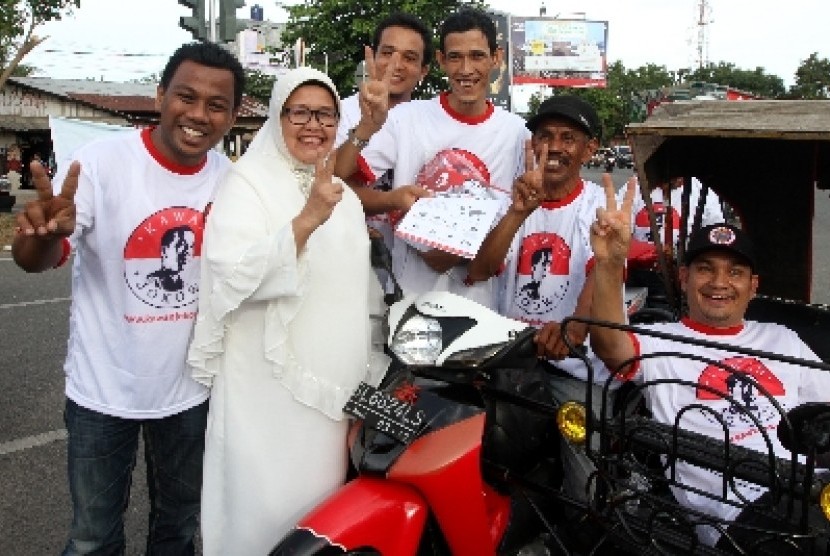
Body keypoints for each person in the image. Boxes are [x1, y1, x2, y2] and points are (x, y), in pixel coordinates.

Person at [12, 41, 244, 555]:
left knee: (178, 531)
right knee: (93, 537)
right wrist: (43, 231)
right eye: (186, 96)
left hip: (191, 393)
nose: (198, 115)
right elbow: (36, 258)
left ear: (231, 116)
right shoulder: (100, 164)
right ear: (161, 96)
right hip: (103, 390)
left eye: (216, 105)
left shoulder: (233, 183)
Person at [187, 67, 387, 555]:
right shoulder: (247, 183)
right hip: (262, 394)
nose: (313, 125)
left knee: (318, 516)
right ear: (279, 117)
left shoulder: (345, 200)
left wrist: (365, 384)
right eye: (300, 112)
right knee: (258, 514)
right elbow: (232, 273)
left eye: (325, 114)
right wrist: (305, 221)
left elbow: (364, 299)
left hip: (328, 397)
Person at [589, 179, 830, 549]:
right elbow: (610, 346)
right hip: (742, 512)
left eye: (735, 272)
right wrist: (610, 264)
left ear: (753, 286)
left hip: (812, 489)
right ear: (684, 278)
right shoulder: (659, 339)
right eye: (706, 269)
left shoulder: (781, 337)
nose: (720, 283)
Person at [466, 95, 617, 504]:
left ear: (589, 149)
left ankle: (585, 531)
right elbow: (479, 271)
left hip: (574, 369)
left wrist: (572, 330)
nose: (554, 147)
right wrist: (518, 212)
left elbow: (600, 275)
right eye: (545, 136)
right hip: (508, 360)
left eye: (569, 138)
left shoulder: (598, 207)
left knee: (585, 481)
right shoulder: (507, 202)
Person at [335, 7, 530, 309]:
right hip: (409, 305)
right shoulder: (405, 118)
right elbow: (339, 175)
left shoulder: (517, 133)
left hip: (482, 308)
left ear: (496, 58)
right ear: (440, 60)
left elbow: (522, 212)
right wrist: (366, 128)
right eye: (455, 57)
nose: (466, 69)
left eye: (477, 56)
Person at [334, 12, 432, 284]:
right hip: (346, 271)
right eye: (387, 52)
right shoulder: (337, 113)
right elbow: (327, 182)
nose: (395, 65)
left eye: (410, 58)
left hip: (410, 274)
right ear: (372, 56)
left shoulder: (429, 120)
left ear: (424, 71)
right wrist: (367, 126)